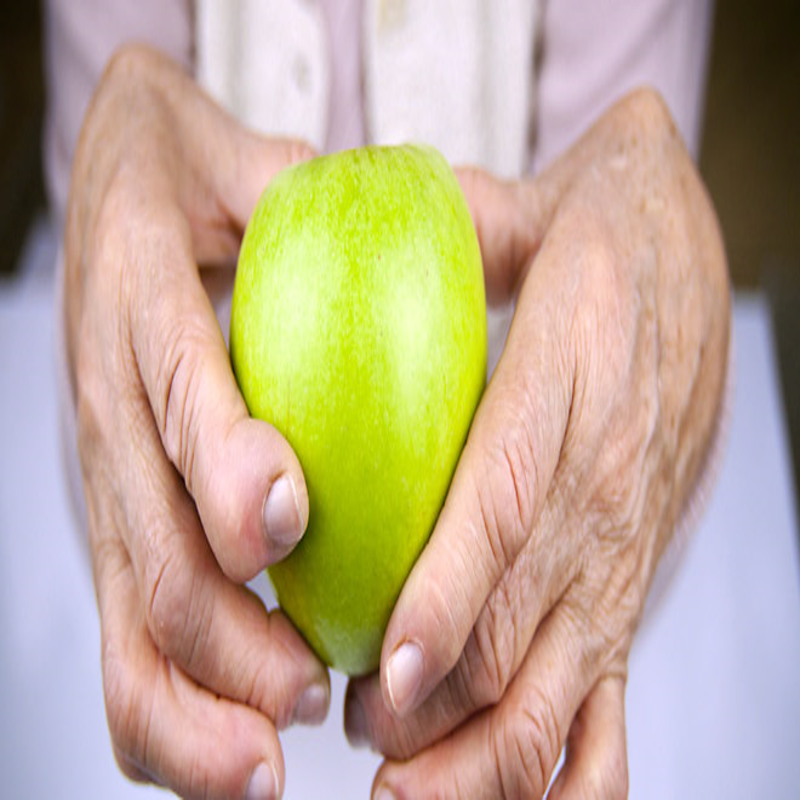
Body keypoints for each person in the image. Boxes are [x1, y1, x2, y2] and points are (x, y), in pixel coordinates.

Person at [46, 1, 731, 798]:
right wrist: (108, 188)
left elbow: (630, 323)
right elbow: (106, 366)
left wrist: (663, 298)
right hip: (180, 673)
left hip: (539, 665)